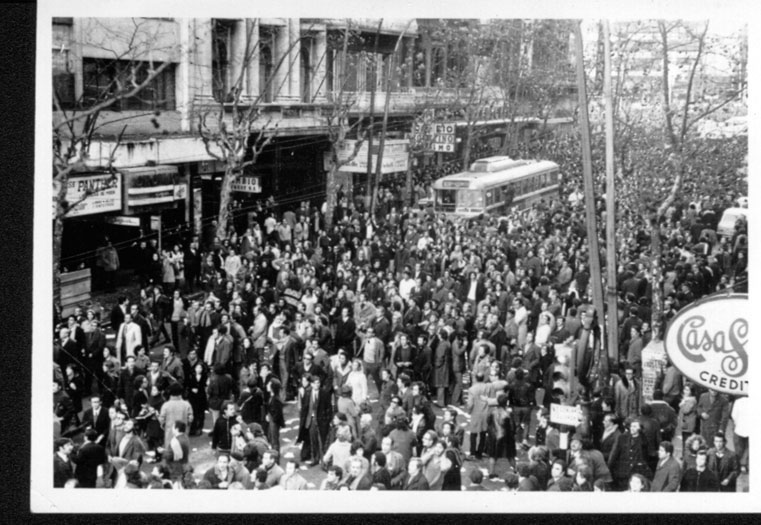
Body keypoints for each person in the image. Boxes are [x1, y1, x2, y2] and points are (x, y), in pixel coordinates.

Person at [158, 383, 193, 453]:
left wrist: (164, 426)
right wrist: (188, 426)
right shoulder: (186, 404)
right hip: (183, 433)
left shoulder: (166, 405)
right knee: (182, 452)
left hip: (170, 433)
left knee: (170, 453)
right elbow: (190, 418)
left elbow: (162, 419)